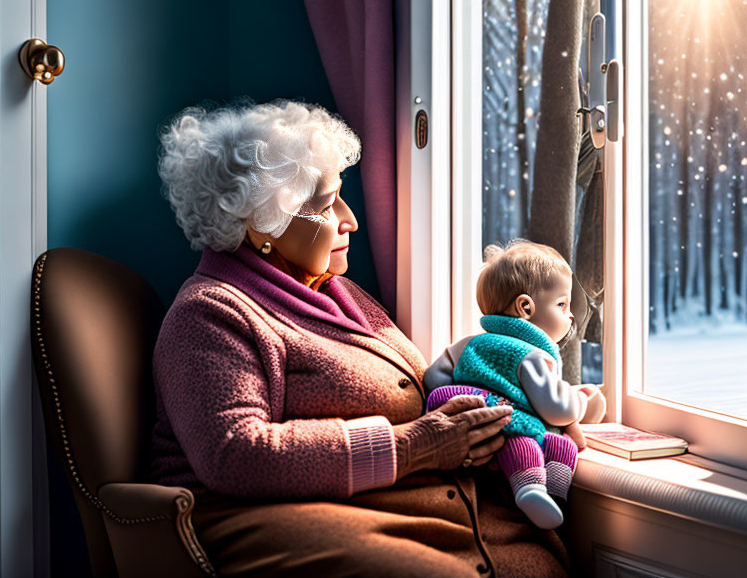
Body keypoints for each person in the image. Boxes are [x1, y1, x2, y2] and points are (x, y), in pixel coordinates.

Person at [149, 100, 571, 577]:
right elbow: (235, 454)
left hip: (429, 517)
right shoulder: (209, 314)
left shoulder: (343, 292)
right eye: (328, 204)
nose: (350, 220)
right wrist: (413, 447)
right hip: (291, 526)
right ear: (261, 223)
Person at [423, 242, 595, 530]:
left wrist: (459, 397)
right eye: (562, 304)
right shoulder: (532, 356)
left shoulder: (469, 343)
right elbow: (556, 410)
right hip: (505, 420)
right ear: (526, 307)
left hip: (471, 420)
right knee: (531, 440)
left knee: (551, 441)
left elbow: (434, 377)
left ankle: (548, 498)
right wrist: (580, 401)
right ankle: (535, 491)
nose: (570, 315)